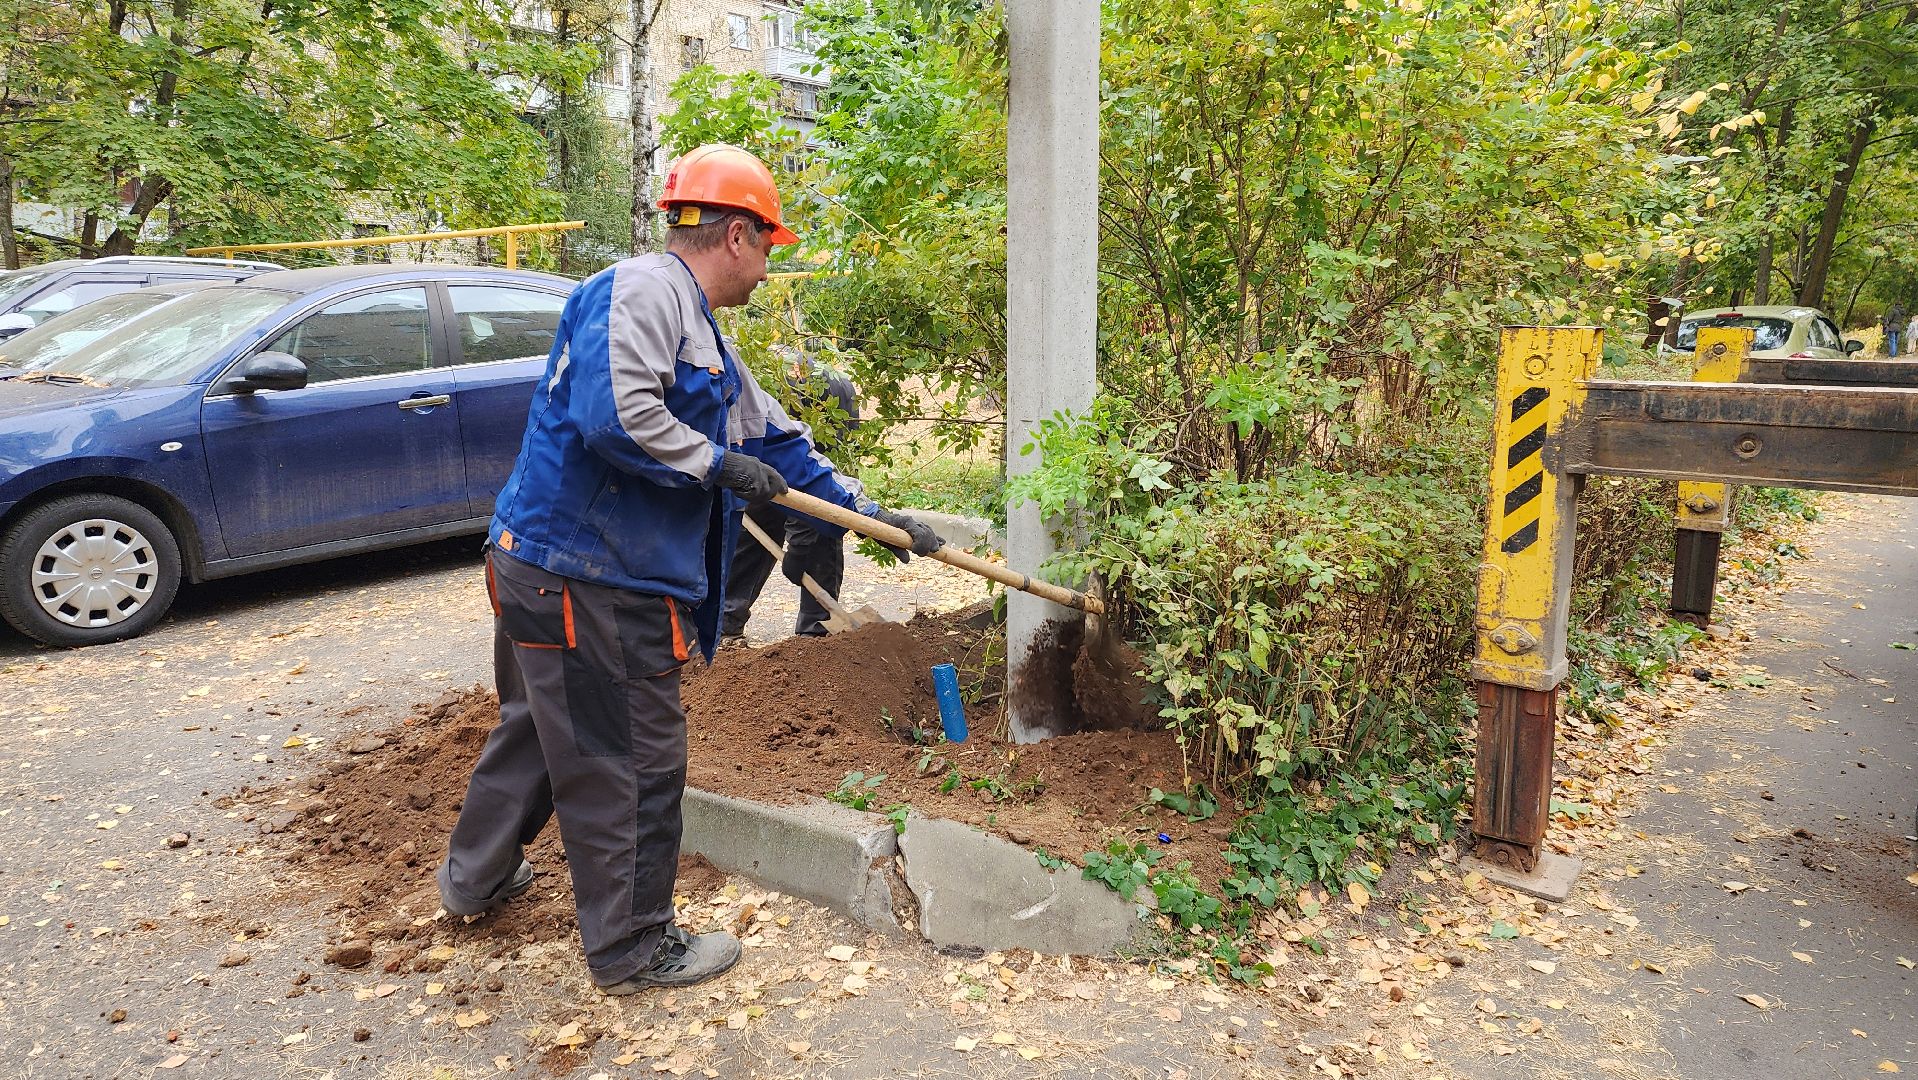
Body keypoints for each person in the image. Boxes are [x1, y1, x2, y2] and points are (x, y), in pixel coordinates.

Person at [434, 144, 943, 995]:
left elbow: (777, 445)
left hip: (548, 567)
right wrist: (714, 465)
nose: (770, 266)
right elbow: (617, 416)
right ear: (737, 234)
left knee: (537, 730)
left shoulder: (700, 329)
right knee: (627, 759)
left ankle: (475, 880)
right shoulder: (641, 289)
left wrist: (873, 516)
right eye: (770, 246)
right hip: (590, 579)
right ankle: (634, 948)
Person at [721, 349, 860, 643]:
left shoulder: (822, 399)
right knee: (755, 524)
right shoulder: (758, 392)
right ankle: (725, 624)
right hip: (764, 457)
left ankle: (817, 629)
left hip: (805, 454)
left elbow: (811, 484)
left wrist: (800, 545)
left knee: (824, 519)